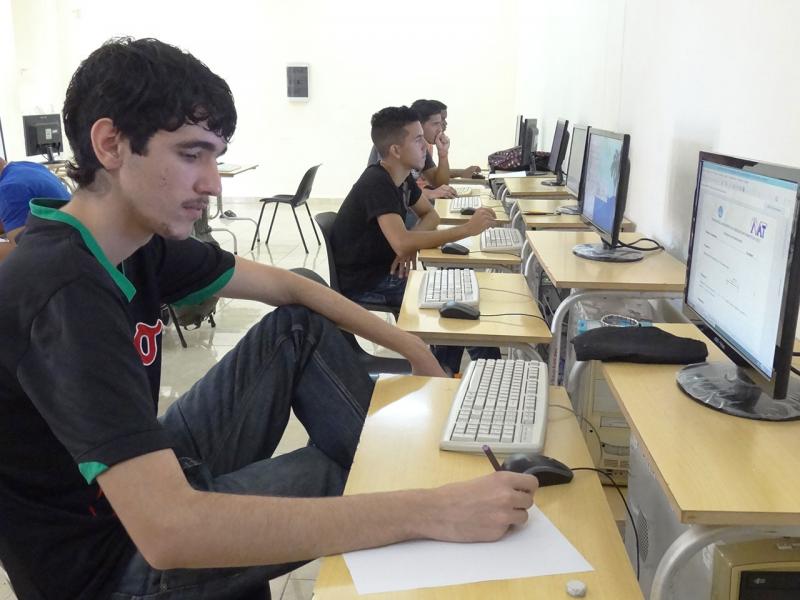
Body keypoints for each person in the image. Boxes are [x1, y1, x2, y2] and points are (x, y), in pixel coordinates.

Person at [0, 38, 538, 599]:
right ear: (111, 144)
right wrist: (426, 511)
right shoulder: (60, 291)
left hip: (144, 483)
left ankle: (426, 484)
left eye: (215, 156)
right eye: (191, 155)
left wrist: (414, 347)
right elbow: (169, 533)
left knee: (297, 325)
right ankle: (438, 500)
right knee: (352, 481)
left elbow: (289, 284)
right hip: (109, 567)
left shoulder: (134, 243)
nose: (212, 183)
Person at [331, 106, 502, 373]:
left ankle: (456, 371)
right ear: (396, 150)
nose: (426, 146)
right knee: (453, 303)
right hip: (365, 283)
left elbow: (430, 216)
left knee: (458, 297)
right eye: (418, 139)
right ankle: (449, 373)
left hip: (388, 272)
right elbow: (402, 241)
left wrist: (408, 244)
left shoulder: (401, 179)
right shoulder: (377, 182)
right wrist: (467, 229)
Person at [0, 156, 70, 261]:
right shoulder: (26, 167)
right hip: (74, 243)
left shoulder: (9, 188)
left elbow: (23, 252)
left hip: (61, 258)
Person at [428, 99, 483, 178]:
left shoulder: (429, 144)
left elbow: (434, 172)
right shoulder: (424, 144)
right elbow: (434, 175)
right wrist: (461, 173)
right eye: (442, 119)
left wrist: (463, 172)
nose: (445, 123)